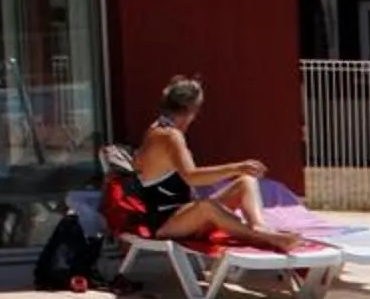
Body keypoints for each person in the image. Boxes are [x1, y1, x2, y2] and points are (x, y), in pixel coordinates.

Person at [126, 76, 301, 251]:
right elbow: (192, 177)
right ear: (192, 109)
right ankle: (262, 237)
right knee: (207, 207)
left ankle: (259, 226)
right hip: (165, 223)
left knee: (245, 181)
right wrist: (236, 167)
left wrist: (239, 171)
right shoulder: (170, 136)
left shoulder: (158, 128)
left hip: (183, 215)